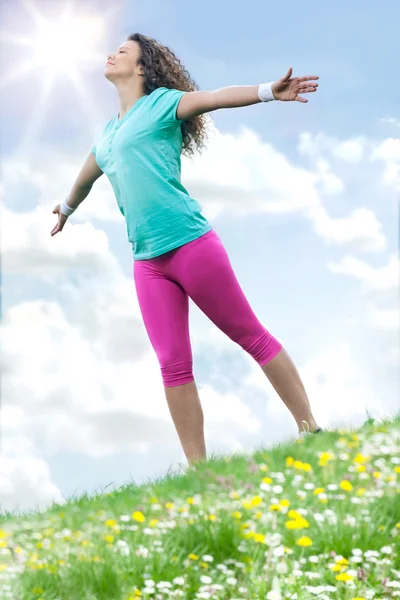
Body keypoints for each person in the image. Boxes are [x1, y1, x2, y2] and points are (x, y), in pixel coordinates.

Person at [51, 33, 322, 468]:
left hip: (191, 244)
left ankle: (310, 427)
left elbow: (214, 98)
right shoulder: (107, 135)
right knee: (173, 364)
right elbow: (86, 179)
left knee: (249, 334)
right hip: (147, 262)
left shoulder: (162, 105)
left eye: (123, 51)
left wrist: (271, 92)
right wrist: (66, 208)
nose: (111, 54)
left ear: (141, 68)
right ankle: (199, 472)